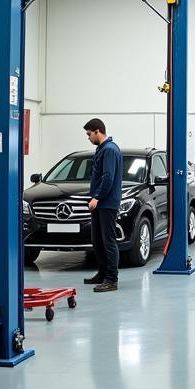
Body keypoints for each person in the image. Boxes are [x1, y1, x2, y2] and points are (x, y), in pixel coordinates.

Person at [84, 118, 123, 292]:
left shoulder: (110, 150)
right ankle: (102, 273)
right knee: (97, 240)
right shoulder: (102, 149)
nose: (88, 138)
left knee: (108, 240)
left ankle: (111, 279)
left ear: (98, 131)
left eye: (89, 134)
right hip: (100, 203)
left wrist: (97, 197)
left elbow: (108, 177)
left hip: (107, 203)